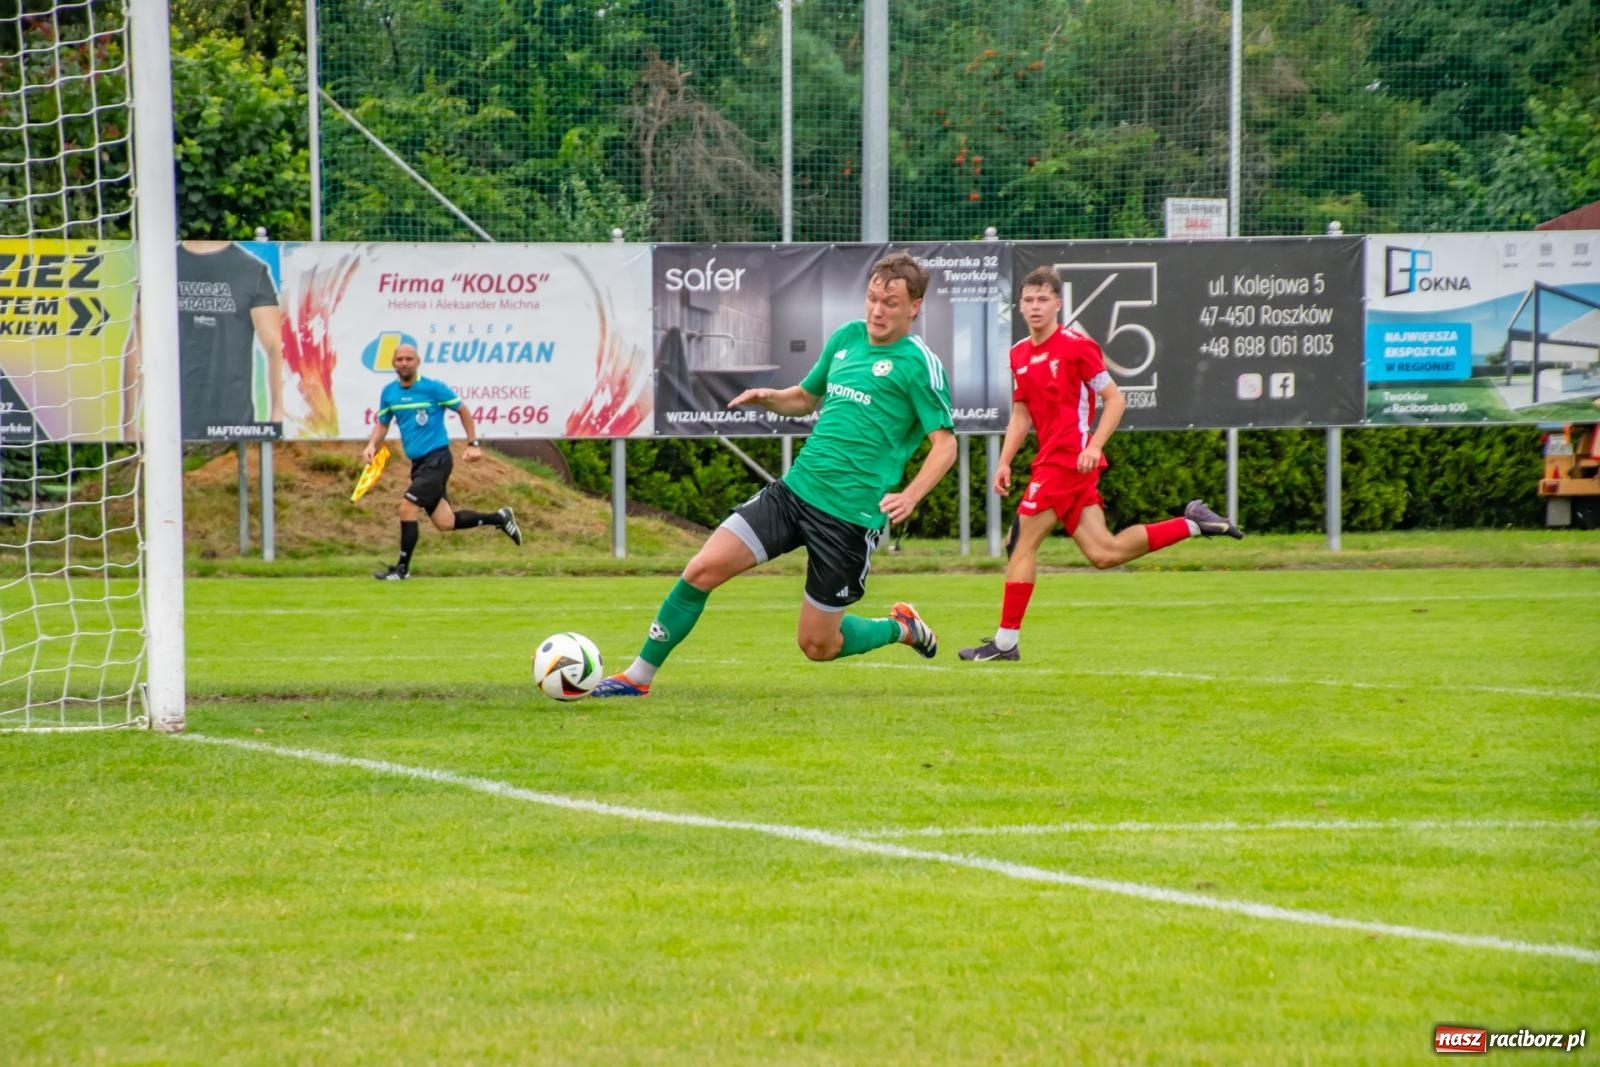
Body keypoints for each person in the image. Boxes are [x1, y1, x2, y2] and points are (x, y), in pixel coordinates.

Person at [591, 251, 958, 698]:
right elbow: (805, 398)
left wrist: (913, 495)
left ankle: (901, 627)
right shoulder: (847, 337)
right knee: (701, 570)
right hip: (793, 494)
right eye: (873, 298)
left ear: (915, 306)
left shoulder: (919, 364)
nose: (878, 310)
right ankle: (637, 677)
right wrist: (770, 398)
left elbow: (946, 444)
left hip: (848, 519)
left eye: (891, 302)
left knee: (818, 645)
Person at [958, 265, 1243, 662]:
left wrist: (1093, 445)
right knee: (1104, 553)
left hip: (1067, 462)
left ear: (1058, 303)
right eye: (1029, 300)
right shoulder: (1019, 354)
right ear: (1020, 306)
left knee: (1018, 543)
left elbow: (1116, 399)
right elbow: (1021, 415)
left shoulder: (1076, 346)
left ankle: (1005, 644)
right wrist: (1004, 461)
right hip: (1053, 463)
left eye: (1043, 299)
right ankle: (1195, 522)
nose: (1035, 306)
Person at [362, 342, 521, 580]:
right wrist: (372, 444)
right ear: (393, 363)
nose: (404, 363)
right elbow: (383, 423)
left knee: (407, 508)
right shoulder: (389, 393)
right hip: (419, 465)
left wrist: (473, 444)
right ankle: (499, 517)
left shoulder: (433, 388)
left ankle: (402, 570)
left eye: (409, 359)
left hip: (437, 460)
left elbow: (463, 410)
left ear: (417, 362)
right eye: (399, 359)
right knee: (445, 522)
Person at [121, 240, 286, 440]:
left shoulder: (252, 270)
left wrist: (277, 416)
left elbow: (276, 347)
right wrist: (128, 422)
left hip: (234, 426)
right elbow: (139, 345)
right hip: (168, 423)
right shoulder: (160, 268)